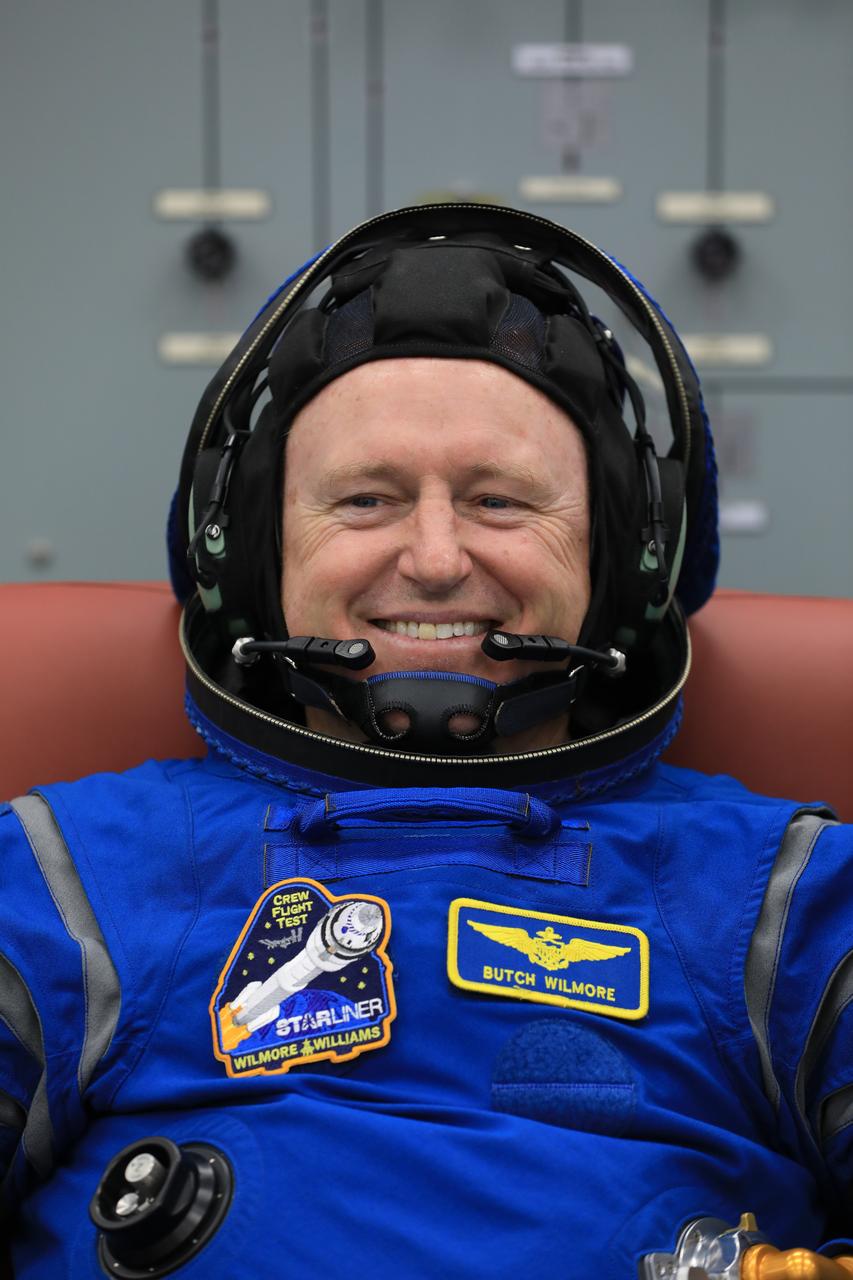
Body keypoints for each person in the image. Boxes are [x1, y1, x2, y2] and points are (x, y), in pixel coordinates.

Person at [2, 204, 851, 1280]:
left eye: (499, 500)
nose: (437, 556)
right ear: (260, 552)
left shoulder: (785, 896)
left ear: (619, 563)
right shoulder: (61, 875)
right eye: (366, 499)